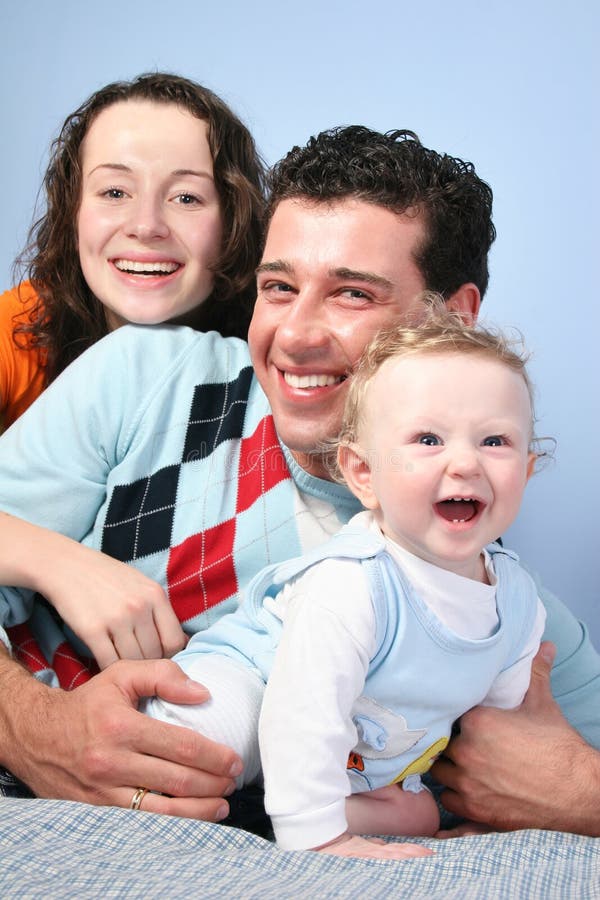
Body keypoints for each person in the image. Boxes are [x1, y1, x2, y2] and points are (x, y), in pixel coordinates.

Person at [0, 127, 598, 834]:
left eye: (350, 294)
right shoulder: (144, 379)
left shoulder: (494, 609)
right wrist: (31, 727)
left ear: (453, 319)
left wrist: (579, 792)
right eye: (278, 287)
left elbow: (555, 769)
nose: (293, 335)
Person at [143, 309, 546, 859]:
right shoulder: (355, 585)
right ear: (363, 474)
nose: (465, 463)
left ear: (525, 470)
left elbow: (492, 732)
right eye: (428, 439)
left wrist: (494, 815)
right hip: (259, 685)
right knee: (211, 736)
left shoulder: (519, 604)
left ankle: (273, 804)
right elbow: (302, 712)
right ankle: (283, 804)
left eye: (495, 441)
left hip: (358, 758)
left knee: (421, 812)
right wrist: (322, 840)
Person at [0, 71, 265, 431]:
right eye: (115, 193)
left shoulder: (275, 350)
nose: (145, 226)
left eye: (186, 197)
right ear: (73, 210)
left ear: (233, 222)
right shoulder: (22, 327)